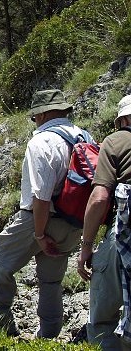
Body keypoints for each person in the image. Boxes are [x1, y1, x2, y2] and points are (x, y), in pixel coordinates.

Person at [0, 89, 89, 338]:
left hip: (38, 220)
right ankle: (49, 335)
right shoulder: (85, 137)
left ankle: (1, 331)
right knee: (51, 280)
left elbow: (40, 197)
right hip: (74, 220)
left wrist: (40, 234)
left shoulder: (41, 142)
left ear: (41, 114)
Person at [78, 94, 131, 351]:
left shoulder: (116, 141)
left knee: (103, 317)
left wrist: (86, 245)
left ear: (123, 119)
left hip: (123, 230)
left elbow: (99, 198)